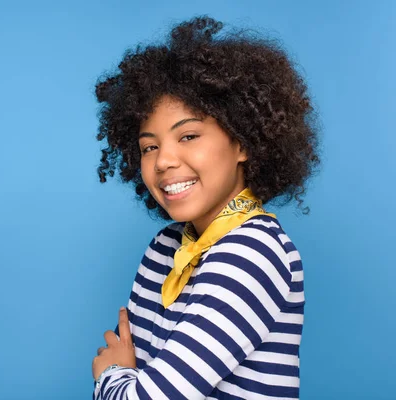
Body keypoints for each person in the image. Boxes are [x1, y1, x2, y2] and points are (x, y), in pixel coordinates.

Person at [91, 16, 320, 400]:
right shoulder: (166, 247)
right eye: (150, 146)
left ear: (243, 143)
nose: (163, 161)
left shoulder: (253, 254)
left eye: (188, 136)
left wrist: (110, 373)